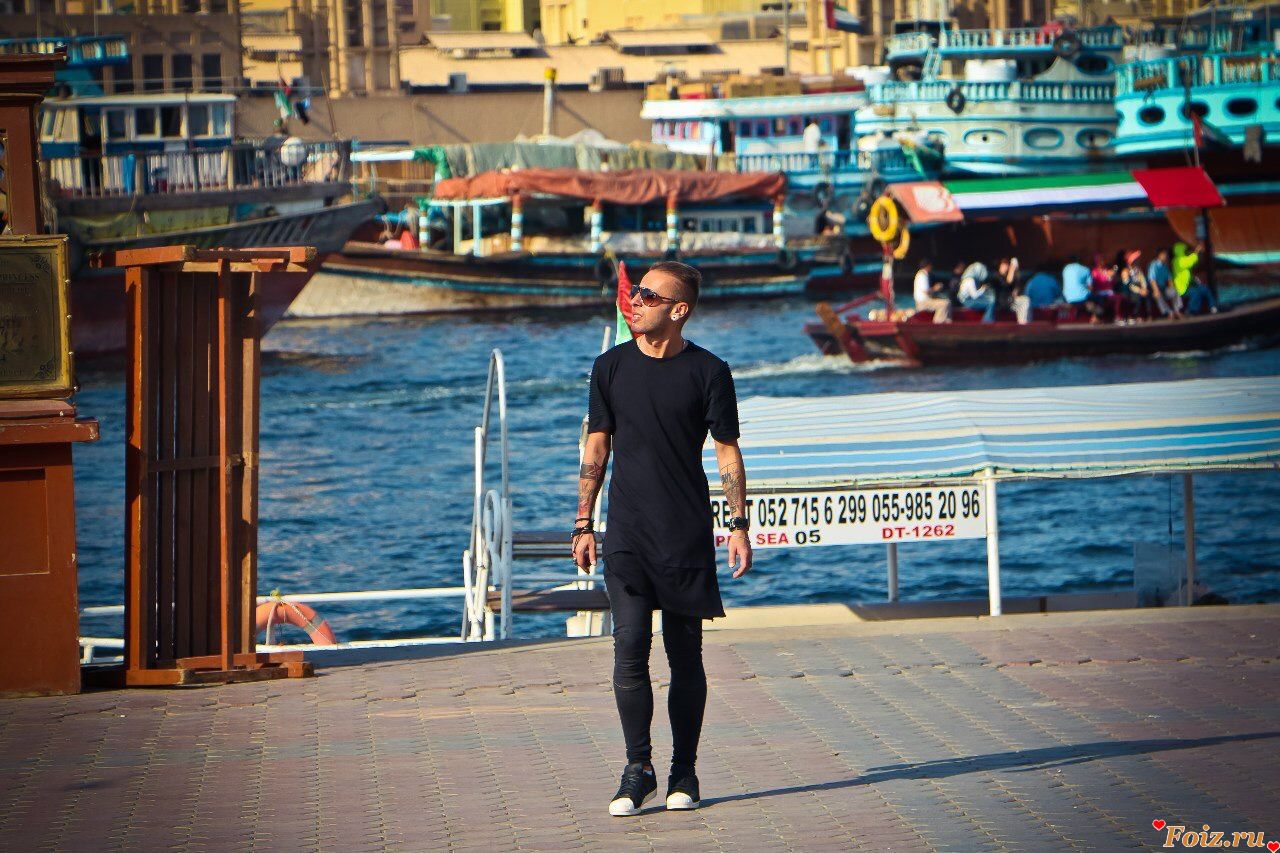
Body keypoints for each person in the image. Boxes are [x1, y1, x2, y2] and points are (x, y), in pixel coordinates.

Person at [574, 261, 751, 818]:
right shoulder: (609, 367)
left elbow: (727, 452)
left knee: (684, 656)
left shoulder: (709, 372)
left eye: (649, 295)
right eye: (635, 292)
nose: (635, 300)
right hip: (627, 533)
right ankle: (638, 769)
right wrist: (583, 522)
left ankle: (684, 771)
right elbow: (596, 448)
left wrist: (739, 524)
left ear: (679, 310)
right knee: (629, 647)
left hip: (684, 535)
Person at [1062, 254, 1103, 322]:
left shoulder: (1065, 269)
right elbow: (1091, 287)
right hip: (1082, 298)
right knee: (1100, 299)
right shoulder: (1085, 269)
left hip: (1066, 297)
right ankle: (1095, 317)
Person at [912, 258, 951, 323]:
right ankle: (938, 323)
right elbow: (926, 291)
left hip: (925, 301)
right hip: (923, 302)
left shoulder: (922, 274)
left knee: (946, 301)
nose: (931, 267)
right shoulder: (922, 275)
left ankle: (946, 321)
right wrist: (936, 288)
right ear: (928, 266)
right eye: (930, 266)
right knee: (945, 303)